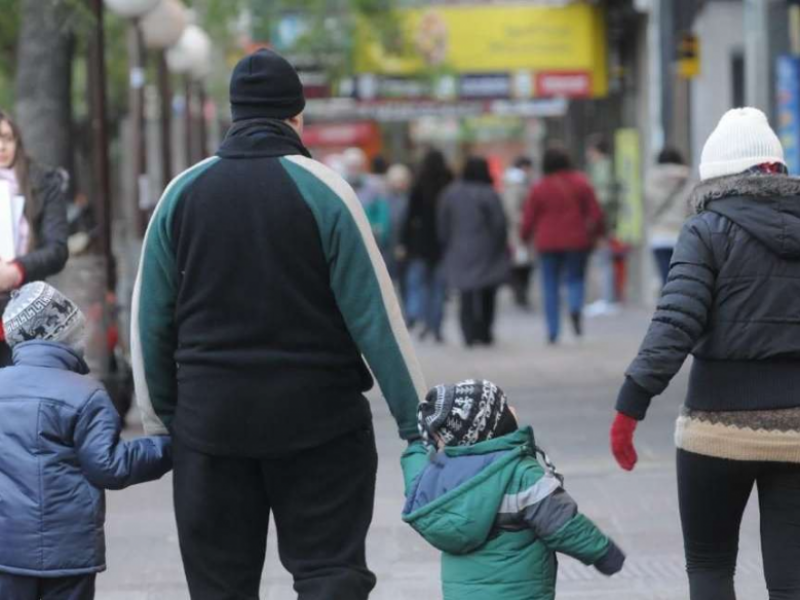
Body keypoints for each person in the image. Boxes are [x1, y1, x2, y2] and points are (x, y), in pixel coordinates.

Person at [132, 48, 427, 600]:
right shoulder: (326, 190)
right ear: (297, 116)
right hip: (319, 423)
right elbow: (376, 319)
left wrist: (167, 423)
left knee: (220, 586)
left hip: (211, 424)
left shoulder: (181, 195)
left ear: (234, 113)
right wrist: (418, 425)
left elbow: (150, 322)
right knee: (330, 574)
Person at [610, 108, 800, 600]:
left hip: (717, 428)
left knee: (711, 567)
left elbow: (676, 322)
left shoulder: (705, 231)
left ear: (715, 176)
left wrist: (631, 404)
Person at [0, 282, 171, 600]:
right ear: (68, 335)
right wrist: (167, 447)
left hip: (6, 553)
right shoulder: (85, 393)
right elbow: (109, 466)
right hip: (68, 553)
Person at [401, 379, 625, 600]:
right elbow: (563, 523)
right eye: (505, 406)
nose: (513, 409)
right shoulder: (520, 473)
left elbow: (415, 472)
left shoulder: (436, 474)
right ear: (490, 425)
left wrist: (415, 447)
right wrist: (602, 552)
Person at [0, 110, 69, 367]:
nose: (1, 146)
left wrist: (17, 270)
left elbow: (57, 249)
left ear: (17, 140)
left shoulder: (43, 181)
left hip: (24, 307)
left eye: (7, 137)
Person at [521, 146, 605, 345]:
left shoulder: (539, 187)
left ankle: (552, 330)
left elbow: (529, 217)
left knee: (550, 285)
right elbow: (595, 213)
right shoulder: (581, 182)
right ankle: (575, 308)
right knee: (575, 279)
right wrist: (598, 233)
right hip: (577, 240)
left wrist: (524, 237)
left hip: (547, 241)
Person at [439, 156, 509, 347]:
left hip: (459, 248)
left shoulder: (450, 193)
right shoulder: (489, 193)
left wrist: (447, 243)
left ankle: (468, 333)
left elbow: (443, 224)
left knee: (465, 294)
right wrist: (499, 245)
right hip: (487, 249)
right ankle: (485, 331)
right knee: (487, 292)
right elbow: (499, 223)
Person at [401, 149, 452, 341]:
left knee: (421, 285)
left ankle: (422, 321)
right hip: (442, 242)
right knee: (439, 287)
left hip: (420, 243)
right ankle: (437, 326)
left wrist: (404, 242)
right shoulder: (448, 183)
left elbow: (410, 217)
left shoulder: (419, 184)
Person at [645, 147, 693, 286]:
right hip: (682, 235)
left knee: (665, 278)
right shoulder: (688, 180)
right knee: (683, 280)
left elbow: (647, 208)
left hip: (659, 236)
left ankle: (666, 305)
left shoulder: (651, 180)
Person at [343, 147, 391, 255]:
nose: (353, 171)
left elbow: (383, 213)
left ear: (363, 167)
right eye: (350, 167)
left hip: (371, 240)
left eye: (356, 167)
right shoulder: (339, 185)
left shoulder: (374, 186)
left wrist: (379, 231)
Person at [502, 156, 535, 309]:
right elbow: (512, 210)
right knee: (520, 265)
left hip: (520, 231)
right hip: (518, 232)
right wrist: (524, 221)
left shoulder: (516, 185)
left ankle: (520, 293)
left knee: (522, 264)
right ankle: (520, 293)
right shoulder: (517, 187)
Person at [385, 163, 412, 288]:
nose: (399, 185)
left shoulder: (409, 199)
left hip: (404, 245)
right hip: (388, 245)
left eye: (401, 181)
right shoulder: (384, 199)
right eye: (395, 181)